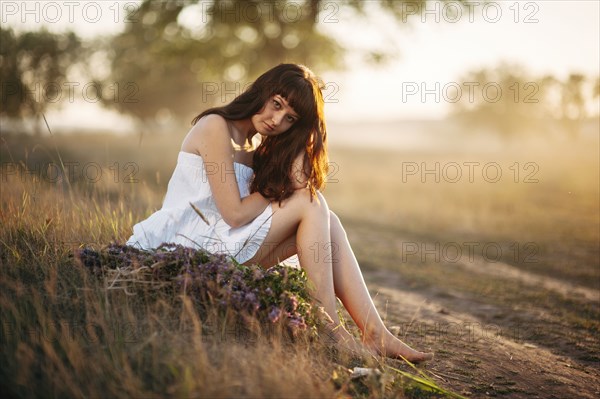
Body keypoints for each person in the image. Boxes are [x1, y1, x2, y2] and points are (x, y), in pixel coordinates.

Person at [127, 63, 433, 363]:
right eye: (276, 104)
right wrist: (274, 191)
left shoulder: (256, 143)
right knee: (310, 204)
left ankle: (374, 332)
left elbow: (299, 182)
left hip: (221, 243)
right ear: (263, 90)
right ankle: (333, 331)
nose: (276, 119)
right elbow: (234, 214)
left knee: (327, 218)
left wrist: (307, 132)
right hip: (188, 245)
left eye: (290, 118)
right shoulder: (216, 127)